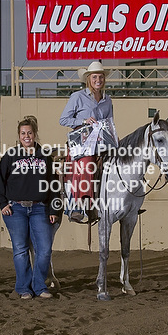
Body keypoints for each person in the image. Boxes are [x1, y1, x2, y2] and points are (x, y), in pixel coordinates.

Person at [0, 116, 60, 299]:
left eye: (29, 132)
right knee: (20, 249)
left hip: (40, 208)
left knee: (44, 249)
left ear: (35, 134)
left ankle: (39, 286)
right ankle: (23, 288)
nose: (26, 136)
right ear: (19, 135)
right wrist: (2, 204)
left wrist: (54, 209)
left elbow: (54, 185)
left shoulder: (45, 157)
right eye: (23, 133)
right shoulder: (10, 156)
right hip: (16, 209)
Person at [59, 61, 114, 223]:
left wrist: (113, 137)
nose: (98, 80)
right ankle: (78, 204)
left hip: (102, 142)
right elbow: (63, 119)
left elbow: (109, 122)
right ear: (88, 79)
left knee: (121, 160)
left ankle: (123, 202)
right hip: (82, 143)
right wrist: (83, 121)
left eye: (101, 77)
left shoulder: (108, 100)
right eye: (95, 77)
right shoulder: (77, 97)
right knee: (87, 163)